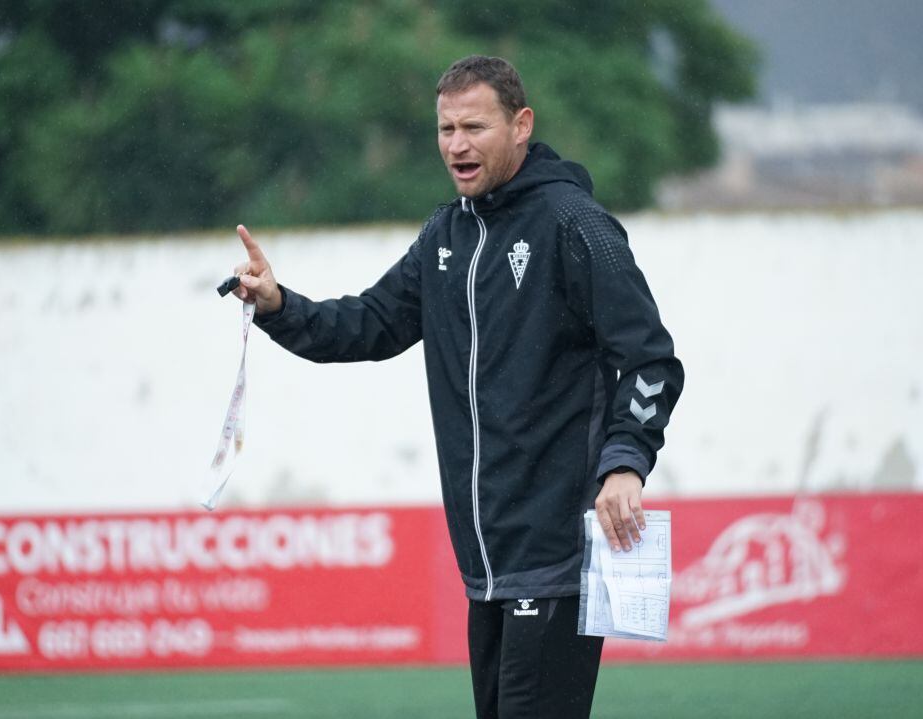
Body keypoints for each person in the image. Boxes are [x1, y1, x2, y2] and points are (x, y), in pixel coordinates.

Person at [229, 55, 683, 719]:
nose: (456, 144)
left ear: (521, 125)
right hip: (487, 567)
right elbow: (367, 325)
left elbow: (650, 360)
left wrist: (625, 464)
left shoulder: (574, 225)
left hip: (553, 556)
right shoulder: (445, 234)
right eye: (445, 129)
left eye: (474, 126)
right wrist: (277, 305)